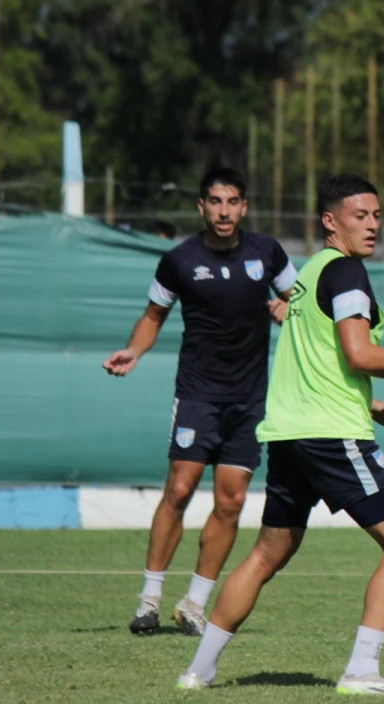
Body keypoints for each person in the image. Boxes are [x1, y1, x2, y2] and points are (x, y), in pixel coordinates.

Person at [177, 174, 384, 695]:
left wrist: (370, 404)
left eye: (376, 215)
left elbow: (317, 365)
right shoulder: (345, 271)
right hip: (329, 435)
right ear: (330, 221)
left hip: (289, 435)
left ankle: (198, 670)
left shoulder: (309, 275)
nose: (372, 225)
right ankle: (361, 670)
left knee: (266, 553)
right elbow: (358, 353)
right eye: (359, 216)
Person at [104, 168, 295, 637]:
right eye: (214, 201)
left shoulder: (267, 253)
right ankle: (149, 599)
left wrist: (288, 308)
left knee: (230, 502)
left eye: (232, 202)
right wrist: (134, 349)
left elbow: (301, 302)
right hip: (197, 395)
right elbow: (153, 316)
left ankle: (193, 604)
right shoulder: (179, 260)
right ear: (201, 206)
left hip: (250, 400)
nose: (223, 211)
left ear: (244, 207)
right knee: (180, 490)